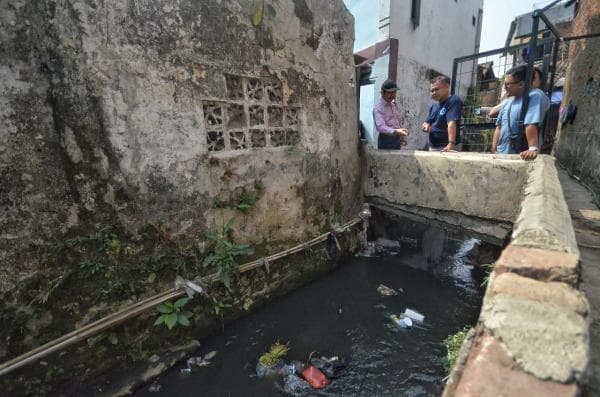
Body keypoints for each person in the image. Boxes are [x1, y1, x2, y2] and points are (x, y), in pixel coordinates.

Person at [491, 65, 547, 160]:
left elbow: (531, 123)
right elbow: (499, 127)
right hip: (501, 153)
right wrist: (493, 149)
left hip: (520, 155)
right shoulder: (507, 102)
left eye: (507, 84)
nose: (505, 88)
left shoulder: (534, 96)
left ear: (521, 84)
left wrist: (532, 148)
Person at [420, 76, 463, 151]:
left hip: (446, 147)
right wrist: (425, 126)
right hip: (433, 146)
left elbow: (451, 123)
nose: (434, 93)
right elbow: (427, 122)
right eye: (431, 91)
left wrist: (451, 144)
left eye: (436, 89)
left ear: (447, 87)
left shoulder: (453, 101)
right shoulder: (434, 106)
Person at [373, 80, 409, 149]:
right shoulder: (378, 108)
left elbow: (396, 122)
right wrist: (396, 131)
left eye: (394, 92)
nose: (392, 95)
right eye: (389, 93)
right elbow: (381, 127)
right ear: (382, 93)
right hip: (386, 140)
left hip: (396, 139)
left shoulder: (393, 105)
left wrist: (401, 137)